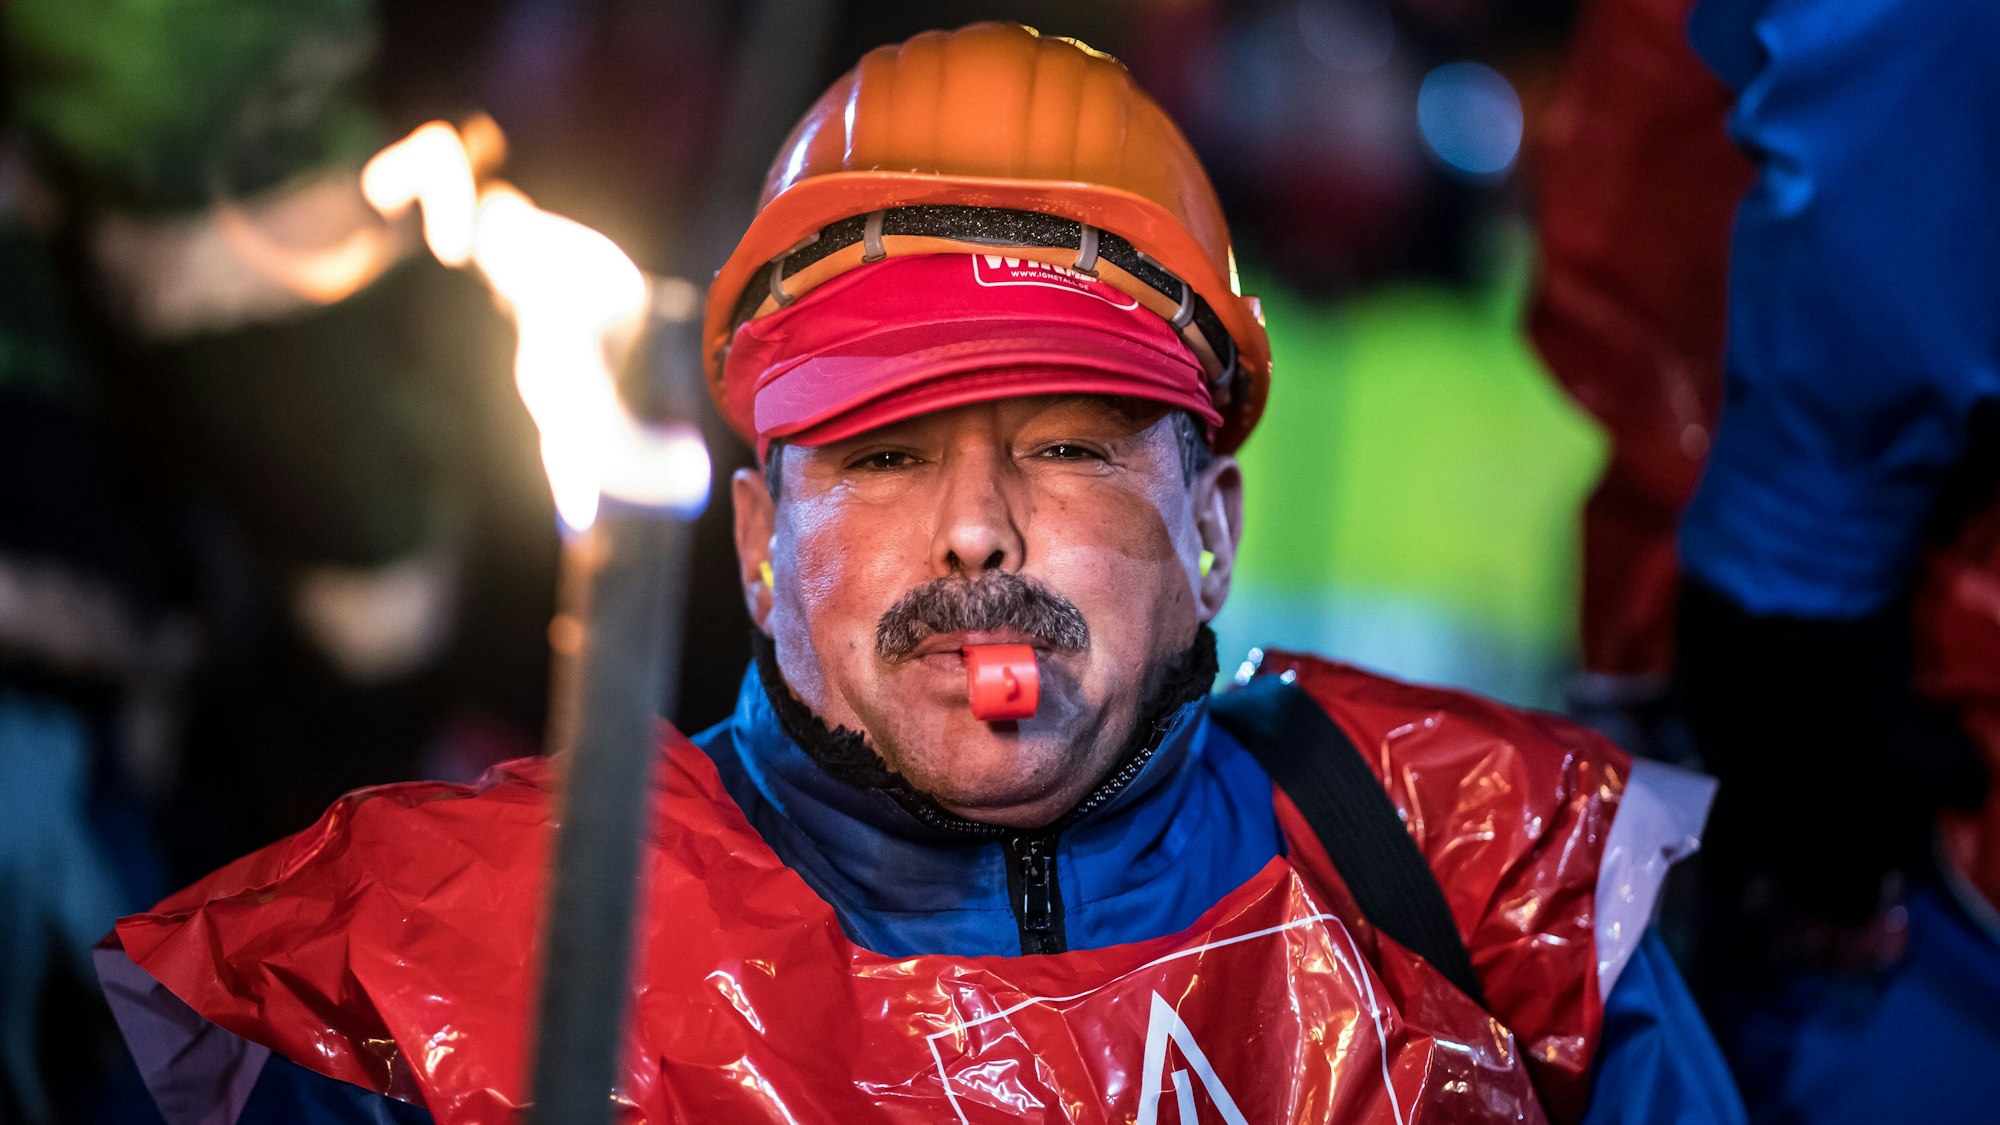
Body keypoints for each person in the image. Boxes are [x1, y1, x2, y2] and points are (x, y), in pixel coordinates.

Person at [97, 23, 1743, 1124]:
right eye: (883, 453)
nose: (977, 532)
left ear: (1217, 529)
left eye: (1070, 444)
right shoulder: (438, 971)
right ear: (753, 543)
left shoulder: (1486, 897)